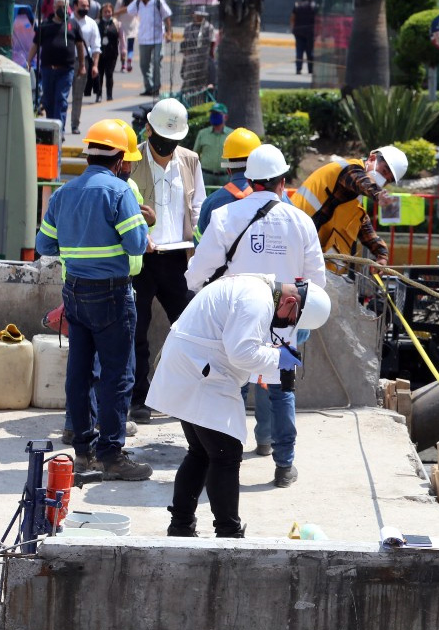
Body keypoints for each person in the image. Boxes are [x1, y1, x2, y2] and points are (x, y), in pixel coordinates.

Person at [186, 144, 326, 487]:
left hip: (233, 319)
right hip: (283, 321)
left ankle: (224, 458)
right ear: (283, 182)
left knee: (227, 389)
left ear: (249, 180)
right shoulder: (301, 222)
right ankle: (283, 465)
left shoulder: (225, 217)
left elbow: (195, 274)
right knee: (280, 390)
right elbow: (316, 285)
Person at [148, 275, 331, 537]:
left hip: (191, 365)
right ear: (291, 300)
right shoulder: (257, 300)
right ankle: (228, 533)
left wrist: (269, 359)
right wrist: (279, 359)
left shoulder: (254, 289)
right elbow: (242, 352)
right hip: (200, 372)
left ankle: (181, 527)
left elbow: (238, 344)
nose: (284, 325)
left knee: (200, 452)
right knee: (226, 454)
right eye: (291, 320)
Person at [35, 119, 152, 481]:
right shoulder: (119, 193)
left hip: (75, 292)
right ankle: (112, 455)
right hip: (112, 294)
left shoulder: (63, 193)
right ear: (119, 159)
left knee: (79, 372)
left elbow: (44, 246)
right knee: (118, 375)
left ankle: (83, 452)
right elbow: (135, 245)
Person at [128, 97, 206, 422]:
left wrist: (201, 253)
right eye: (161, 139)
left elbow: (199, 207)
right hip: (142, 259)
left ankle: (182, 394)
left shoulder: (189, 161)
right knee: (137, 330)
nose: (166, 147)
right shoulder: (132, 161)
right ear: (148, 130)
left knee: (189, 326)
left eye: (173, 141)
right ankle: (138, 398)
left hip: (177, 259)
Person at [289, 146, 408, 274]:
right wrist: (377, 194)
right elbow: (361, 181)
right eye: (384, 171)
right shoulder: (349, 169)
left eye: (387, 181)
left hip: (304, 246)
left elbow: (361, 222)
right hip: (292, 235)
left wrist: (381, 253)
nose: (383, 180)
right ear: (372, 158)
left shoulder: (355, 196)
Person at [28, 0, 85, 131]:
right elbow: (35, 45)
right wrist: (28, 61)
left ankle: (59, 131)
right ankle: (50, 128)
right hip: (48, 69)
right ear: (54, 8)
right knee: (48, 101)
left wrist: (82, 65)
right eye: (60, 7)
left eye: (65, 7)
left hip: (66, 70)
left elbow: (79, 46)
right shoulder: (45, 25)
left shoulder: (73, 24)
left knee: (61, 100)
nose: (63, 10)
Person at [120, 0, 170, 96]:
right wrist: (114, 13)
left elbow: (167, 16)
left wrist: (169, 32)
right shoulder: (138, 3)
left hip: (158, 38)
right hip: (144, 38)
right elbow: (128, 9)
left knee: (156, 61)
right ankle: (149, 88)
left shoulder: (158, 2)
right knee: (144, 65)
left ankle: (156, 87)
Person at [70, 0, 99, 135]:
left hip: (83, 63)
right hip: (66, 61)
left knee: (77, 95)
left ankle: (75, 124)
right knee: (61, 96)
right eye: (83, 6)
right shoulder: (67, 21)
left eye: (87, 6)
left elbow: (96, 47)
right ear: (75, 6)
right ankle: (59, 123)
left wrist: (95, 65)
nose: (86, 8)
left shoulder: (91, 24)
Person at [192, 103, 233, 187]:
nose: (214, 116)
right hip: (206, 176)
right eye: (213, 114)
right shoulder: (202, 133)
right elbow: (195, 156)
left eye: (217, 114)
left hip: (225, 177)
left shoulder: (232, 134)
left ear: (225, 117)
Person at [179, 7, 214, 94]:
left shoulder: (208, 27)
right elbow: (184, 42)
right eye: (197, 15)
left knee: (201, 80)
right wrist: (185, 55)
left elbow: (210, 43)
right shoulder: (188, 27)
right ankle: (185, 96)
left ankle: (199, 97)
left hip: (203, 58)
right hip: (190, 58)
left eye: (200, 15)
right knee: (188, 79)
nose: (198, 17)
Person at [93, 2, 122, 102]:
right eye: (105, 12)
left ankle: (109, 95)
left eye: (109, 12)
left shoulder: (117, 23)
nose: (107, 14)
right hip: (100, 53)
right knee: (99, 75)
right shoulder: (96, 23)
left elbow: (122, 38)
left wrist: (124, 51)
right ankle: (98, 95)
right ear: (102, 13)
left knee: (109, 75)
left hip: (112, 53)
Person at [290, 0, 315, 75]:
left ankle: (298, 69)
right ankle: (310, 69)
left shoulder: (297, 5)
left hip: (298, 31)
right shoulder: (313, 5)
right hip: (310, 32)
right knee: (310, 51)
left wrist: (292, 28)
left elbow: (292, 17)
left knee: (299, 51)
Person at [118, 0, 137, 72]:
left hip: (122, 26)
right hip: (132, 27)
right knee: (130, 47)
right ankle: (129, 59)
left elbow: (116, 13)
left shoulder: (120, 2)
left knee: (122, 46)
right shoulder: (135, 2)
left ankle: (123, 65)